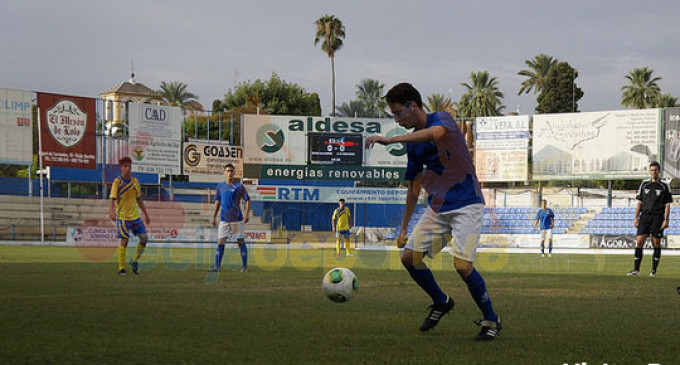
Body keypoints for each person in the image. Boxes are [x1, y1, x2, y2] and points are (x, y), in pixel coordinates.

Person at [365, 82, 501, 341]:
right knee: (409, 259)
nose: (396, 119)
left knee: (462, 266)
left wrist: (391, 138)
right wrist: (404, 227)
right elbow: (413, 187)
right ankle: (441, 301)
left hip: (467, 204)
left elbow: (433, 134)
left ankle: (491, 320)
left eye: (397, 113)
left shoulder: (443, 118)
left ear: (411, 106)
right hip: (438, 208)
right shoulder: (413, 146)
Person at [627, 161, 672, 277]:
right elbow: (639, 202)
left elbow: (667, 204)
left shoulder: (664, 185)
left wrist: (666, 219)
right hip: (645, 216)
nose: (653, 172)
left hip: (657, 217)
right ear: (649, 171)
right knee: (639, 241)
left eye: (655, 170)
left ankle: (653, 270)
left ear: (659, 171)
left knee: (656, 242)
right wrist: (636, 217)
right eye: (651, 170)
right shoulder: (644, 184)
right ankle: (636, 270)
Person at [108, 156, 150, 276]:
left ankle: (135, 261)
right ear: (121, 168)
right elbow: (112, 198)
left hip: (135, 217)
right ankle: (121, 268)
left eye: (129, 166)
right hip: (123, 217)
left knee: (144, 238)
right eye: (125, 166)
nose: (128, 169)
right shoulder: (118, 182)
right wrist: (111, 211)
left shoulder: (135, 181)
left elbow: (139, 199)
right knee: (124, 241)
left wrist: (146, 214)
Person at [209, 164, 251, 273]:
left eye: (231, 171)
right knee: (220, 242)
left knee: (240, 242)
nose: (230, 173)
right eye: (227, 171)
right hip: (224, 219)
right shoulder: (220, 186)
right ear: (224, 172)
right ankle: (217, 267)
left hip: (236, 219)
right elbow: (217, 202)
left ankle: (245, 267)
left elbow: (247, 199)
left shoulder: (239, 186)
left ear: (234, 172)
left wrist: (246, 213)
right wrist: (214, 216)